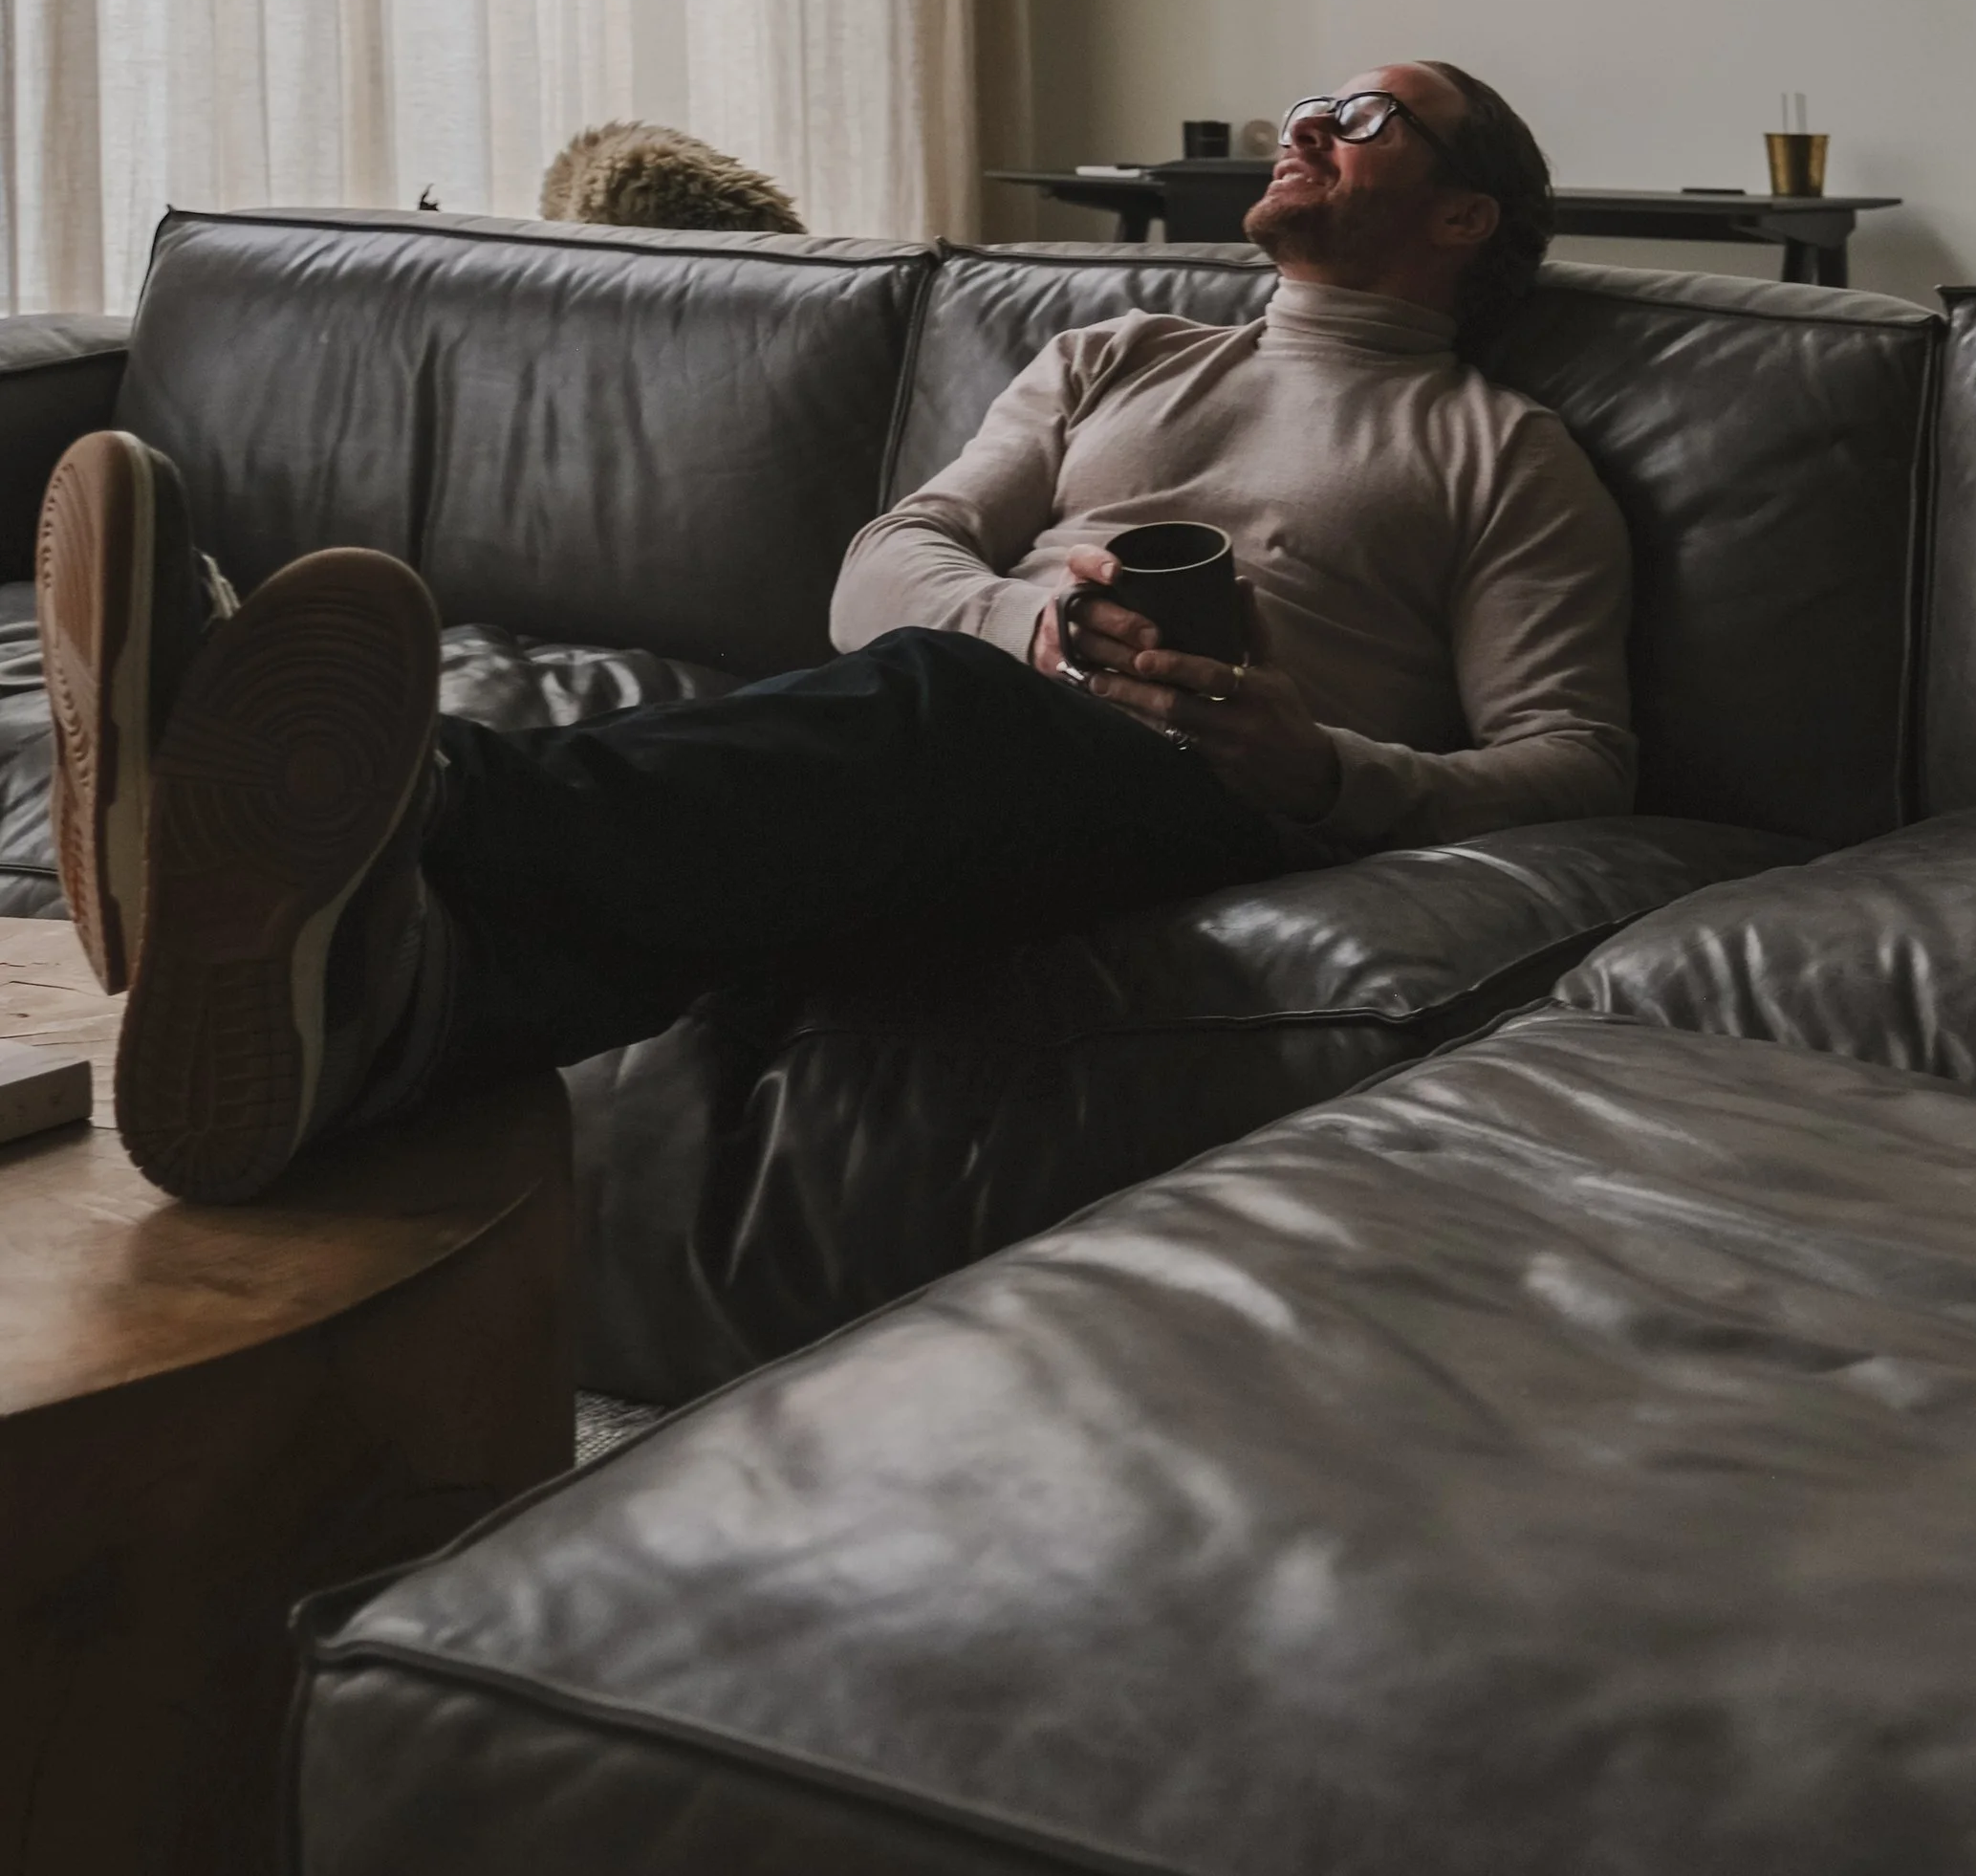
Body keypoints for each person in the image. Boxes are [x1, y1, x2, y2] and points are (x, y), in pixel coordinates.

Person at [35, 60, 1634, 1206]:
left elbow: (1576, 758)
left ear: (1463, 216)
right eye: (1317, 101)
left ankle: (379, 786)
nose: (1310, 123)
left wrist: (1324, 767)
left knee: (929, 703)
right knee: (890, 739)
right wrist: (1039, 631)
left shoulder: (1503, 454)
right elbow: (886, 561)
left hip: (1211, 801)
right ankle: (388, 1012)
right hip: (989, 728)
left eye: (1370, 118)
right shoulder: (1116, 351)